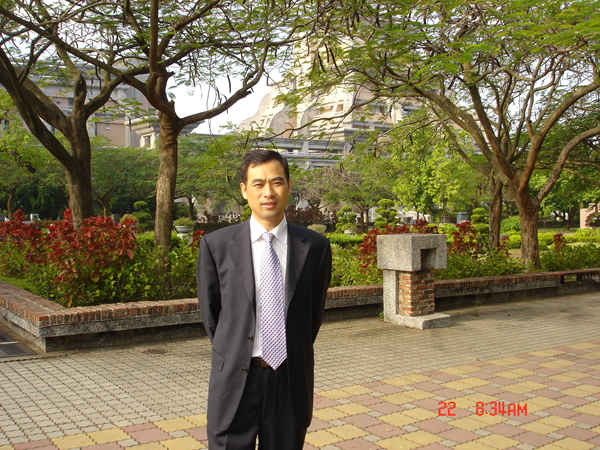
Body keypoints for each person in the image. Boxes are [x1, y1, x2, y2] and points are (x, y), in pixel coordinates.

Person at [197, 149, 332, 450]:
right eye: (258, 184)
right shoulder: (217, 246)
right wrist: (235, 349)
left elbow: (312, 315)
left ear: (289, 186)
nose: (268, 192)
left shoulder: (314, 247)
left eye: (276, 182)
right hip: (235, 380)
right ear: (244, 190)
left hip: (289, 379)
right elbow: (212, 315)